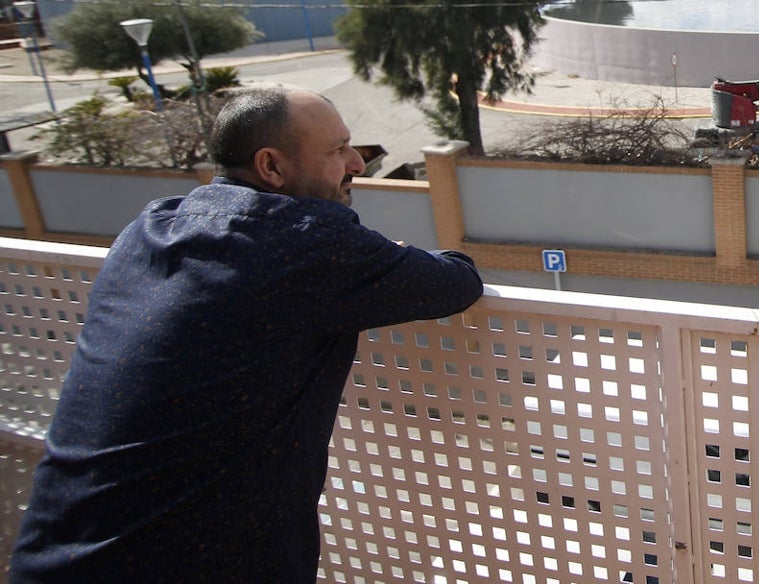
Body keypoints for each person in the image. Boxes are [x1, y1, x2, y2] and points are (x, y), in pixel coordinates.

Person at [10, 88, 483, 583]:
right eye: (337, 150)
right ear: (272, 167)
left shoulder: (150, 226)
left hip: (52, 556)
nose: (356, 164)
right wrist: (391, 250)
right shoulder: (303, 241)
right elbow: (456, 281)